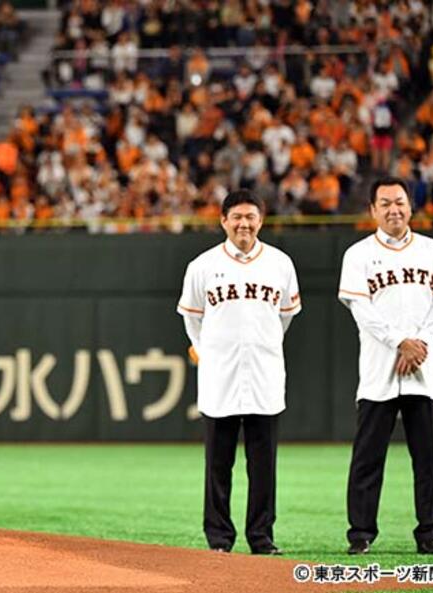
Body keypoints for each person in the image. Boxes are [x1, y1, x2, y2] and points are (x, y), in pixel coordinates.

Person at [338, 176, 433, 555]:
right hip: (380, 370)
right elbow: (361, 309)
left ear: (410, 206)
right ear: (373, 210)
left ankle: (429, 533)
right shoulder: (358, 254)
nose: (394, 209)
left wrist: (420, 343)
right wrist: (400, 342)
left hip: (422, 372)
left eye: (399, 202)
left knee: (426, 458)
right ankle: (360, 533)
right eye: (385, 203)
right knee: (367, 457)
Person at [177, 189, 301, 554]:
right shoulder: (202, 266)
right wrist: (211, 351)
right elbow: (192, 319)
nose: (244, 224)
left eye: (250, 217)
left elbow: (286, 315)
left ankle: (261, 537)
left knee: (263, 465)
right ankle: (219, 537)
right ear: (223, 221)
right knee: (219, 464)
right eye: (237, 217)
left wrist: (261, 343)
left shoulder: (280, 263)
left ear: (260, 221)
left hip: (264, 374)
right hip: (220, 376)